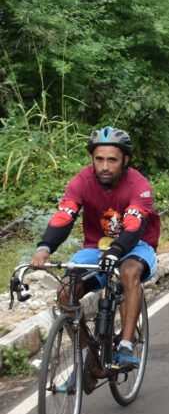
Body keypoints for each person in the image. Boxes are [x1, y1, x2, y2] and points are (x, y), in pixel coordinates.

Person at [28, 127, 160, 386]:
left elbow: (133, 225)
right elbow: (65, 216)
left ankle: (125, 344)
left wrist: (116, 252)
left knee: (128, 272)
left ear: (125, 160)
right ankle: (88, 354)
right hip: (97, 247)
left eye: (112, 159)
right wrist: (44, 248)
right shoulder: (80, 181)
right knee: (66, 292)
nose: (105, 166)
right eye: (99, 159)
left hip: (136, 245)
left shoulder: (139, 185)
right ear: (92, 159)